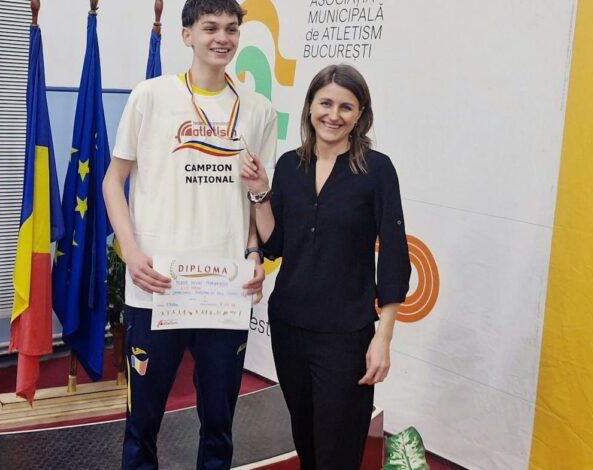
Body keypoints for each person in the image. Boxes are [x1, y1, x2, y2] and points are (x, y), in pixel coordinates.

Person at [102, 0, 278, 468]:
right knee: (142, 424)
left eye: (231, 29)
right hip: (157, 286)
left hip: (225, 291)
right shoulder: (150, 96)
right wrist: (131, 252)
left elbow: (256, 195)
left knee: (219, 425)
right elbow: (112, 182)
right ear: (187, 35)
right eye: (210, 28)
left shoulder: (259, 111)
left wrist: (254, 253)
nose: (222, 38)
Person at [240, 64, 411, 470]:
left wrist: (383, 338)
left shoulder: (377, 170)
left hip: (346, 335)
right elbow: (276, 244)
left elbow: (394, 256)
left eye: (346, 107)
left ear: (360, 114)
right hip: (289, 327)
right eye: (326, 104)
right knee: (308, 443)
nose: (333, 115)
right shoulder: (289, 165)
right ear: (310, 107)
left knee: (339, 451)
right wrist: (260, 193)